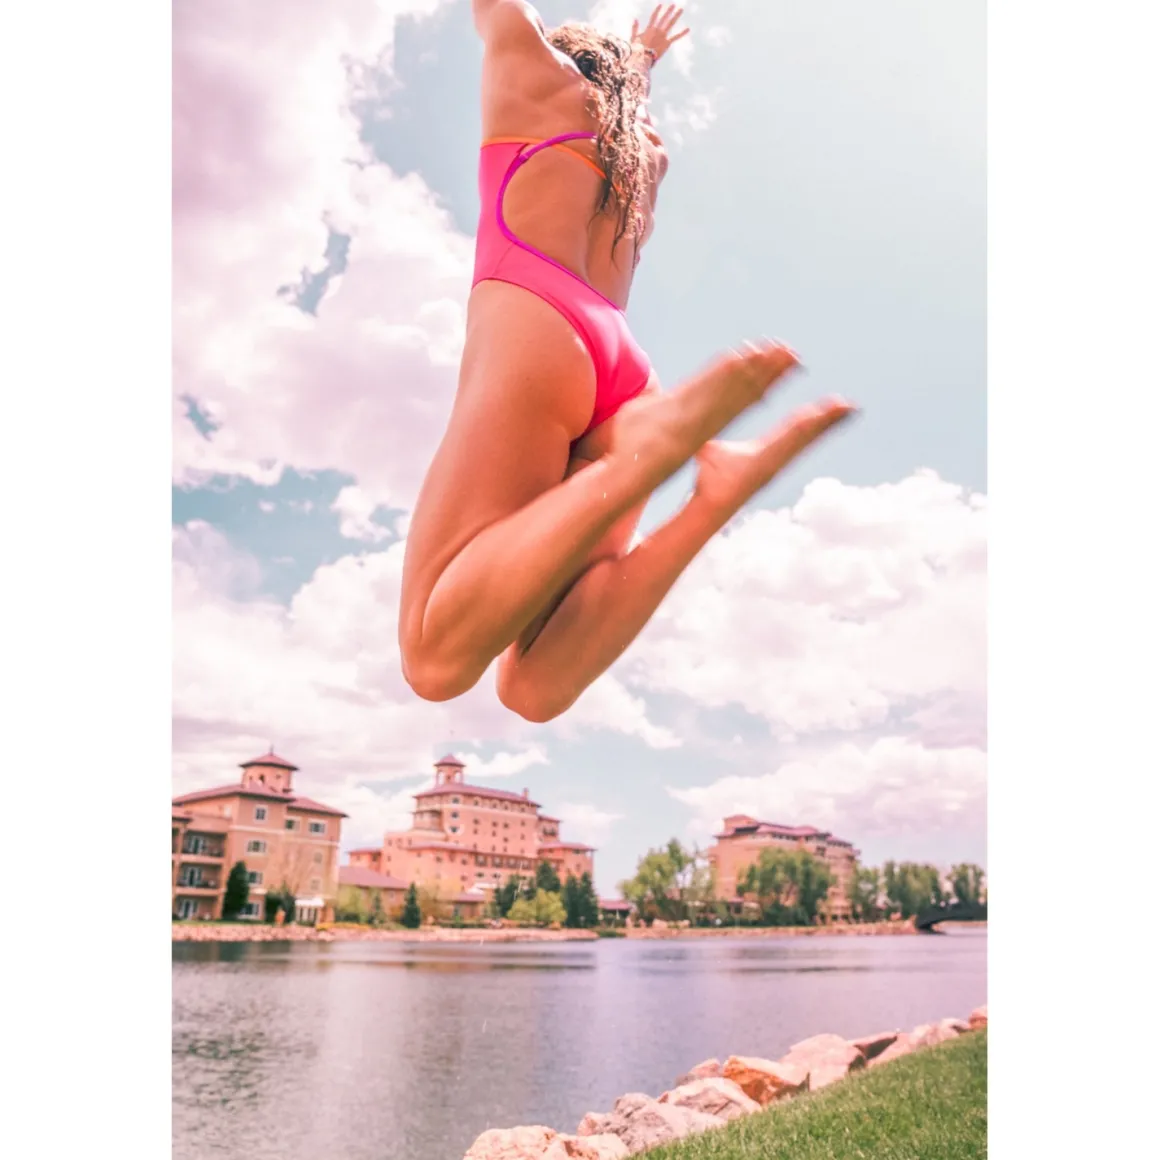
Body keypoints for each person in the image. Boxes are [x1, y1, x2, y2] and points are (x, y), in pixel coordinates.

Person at [399, 3, 856, 721]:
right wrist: (640, 58)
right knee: (533, 689)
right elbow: (609, 87)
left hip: (536, 328)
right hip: (624, 374)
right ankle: (708, 493)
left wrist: (637, 57)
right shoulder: (644, 154)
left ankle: (648, 458)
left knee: (434, 660)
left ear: (567, 54)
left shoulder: (533, 77)